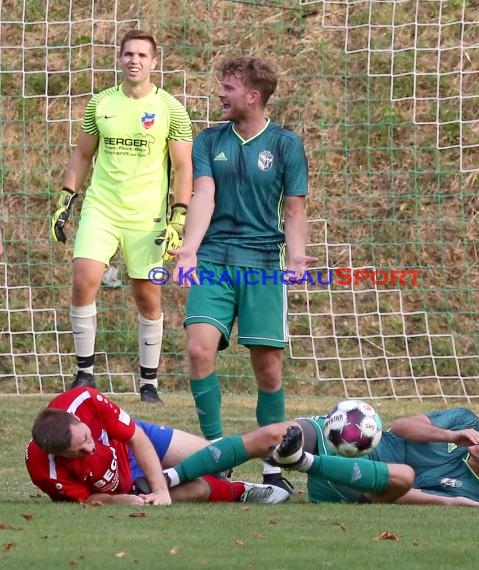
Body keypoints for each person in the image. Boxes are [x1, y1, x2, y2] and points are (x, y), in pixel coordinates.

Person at [172, 55, 316, 492]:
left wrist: (296, 259)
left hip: (262, 264)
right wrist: (190, 251)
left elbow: (294, 209)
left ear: (253, 96)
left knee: (268, 370)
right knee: (199, 351)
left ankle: (274, 465)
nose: (220, 92)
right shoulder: (208, 139)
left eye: (229, 87)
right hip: (214, 258)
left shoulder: (286, 145)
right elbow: (204, 195)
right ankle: (218, 453)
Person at [49, 30, 194, 403]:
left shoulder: (171, 109)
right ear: (120, 58)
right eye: (129, 53)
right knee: (84, 281)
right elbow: (82, 156)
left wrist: (179, 216)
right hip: (102, 208)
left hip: (146, 217)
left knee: (147, 297)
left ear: (154, 62)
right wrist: (66, 197)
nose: (135, 60)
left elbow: (182, 167)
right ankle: (84, 375)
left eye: (143, 55)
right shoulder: (101, 104)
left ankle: (149, 384)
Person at [162, 407, 479, 507]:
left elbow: (398, 494)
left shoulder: (471, 494)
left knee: (405, 476)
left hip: (355, 484)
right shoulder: (465, 422)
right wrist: (451, 434)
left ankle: (297, 463)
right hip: (348, 438)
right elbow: (402, 426)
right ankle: (168, 480)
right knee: (274, 434)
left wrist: (458, 503)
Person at [25, 386, 290, 506]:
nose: (89, 449)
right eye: (78, 452)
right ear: (57, 455)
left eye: (86, 438)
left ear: (76, 419)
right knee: (197, 489)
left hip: (136, 441)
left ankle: (291, 456)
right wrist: (120, 500)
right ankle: (243, 491)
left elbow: (136, 437)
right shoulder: (44, 471)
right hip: (127, 485)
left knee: (214, 457)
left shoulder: (86, 400)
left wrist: (162, 489)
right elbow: (87, 499)